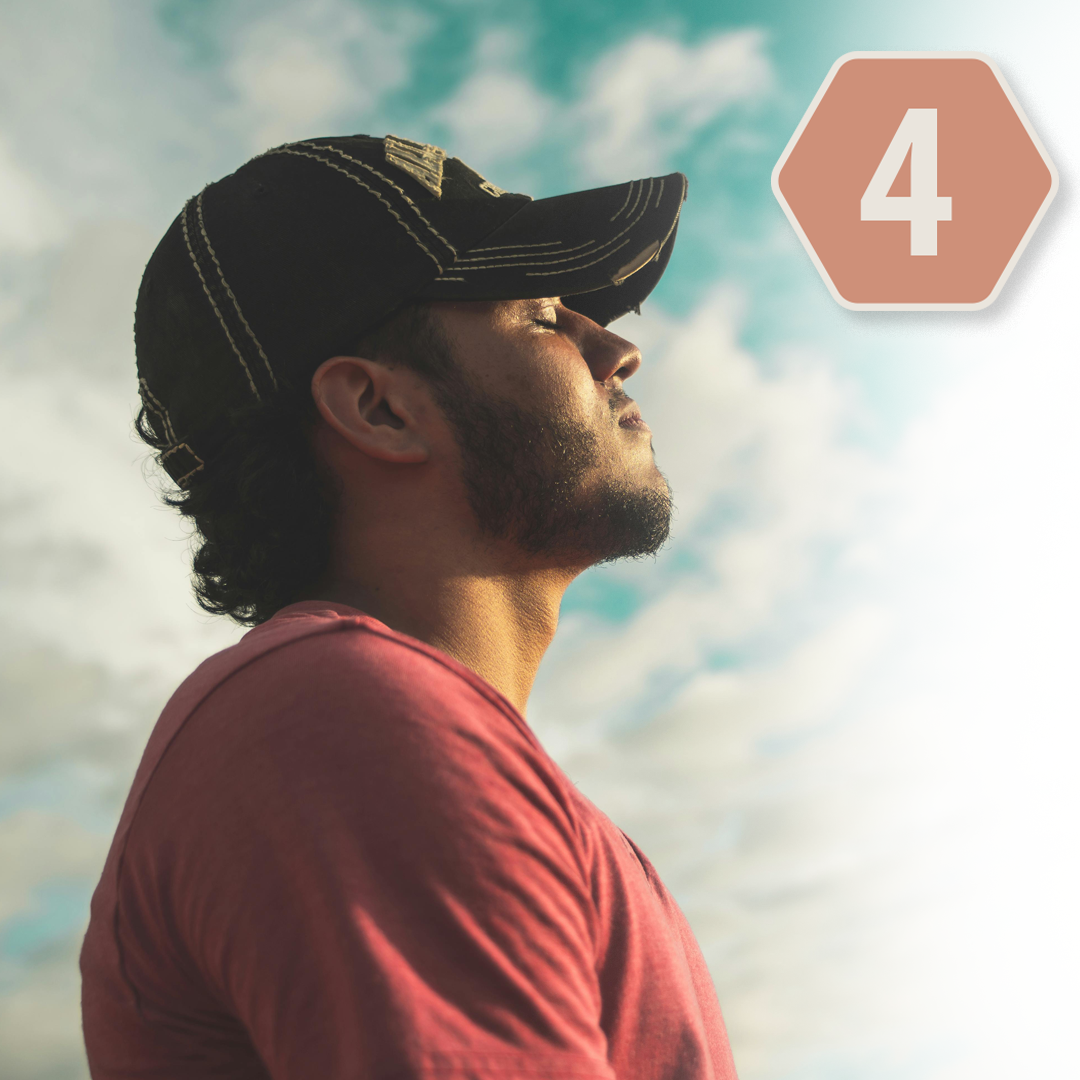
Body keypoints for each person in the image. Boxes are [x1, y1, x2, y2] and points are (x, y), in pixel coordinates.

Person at [79, 133, 739, 1080]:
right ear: (379, 410)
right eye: (544, 313)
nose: (619, 348)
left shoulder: (376, 727)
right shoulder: (340, 715)